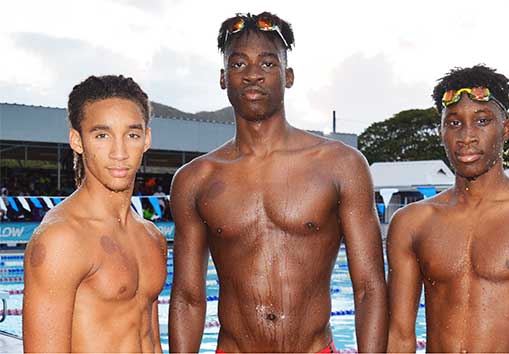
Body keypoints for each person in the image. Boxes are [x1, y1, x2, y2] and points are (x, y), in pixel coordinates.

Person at [168, 12, 387, 353]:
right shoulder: (195, 179)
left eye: (268, 64)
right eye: (239, 64)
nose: (253, 74)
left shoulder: (340, 165)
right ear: (223, 78)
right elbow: (187, 296)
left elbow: (369, 287)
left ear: (288, 76)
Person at [386, 65, 509, 353]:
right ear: (441, 132)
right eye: (454, 123)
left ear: (505, 129)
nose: (467, 136)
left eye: (482, 121)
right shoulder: (412, 222)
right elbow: (399, 337)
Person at [22, 75, 166, 352]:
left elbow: (150, 341)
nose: (119, 152)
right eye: (102, 135)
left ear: (146, 139)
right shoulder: (61, 240)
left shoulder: (152, 237)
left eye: (132, 135)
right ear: (77, 140)